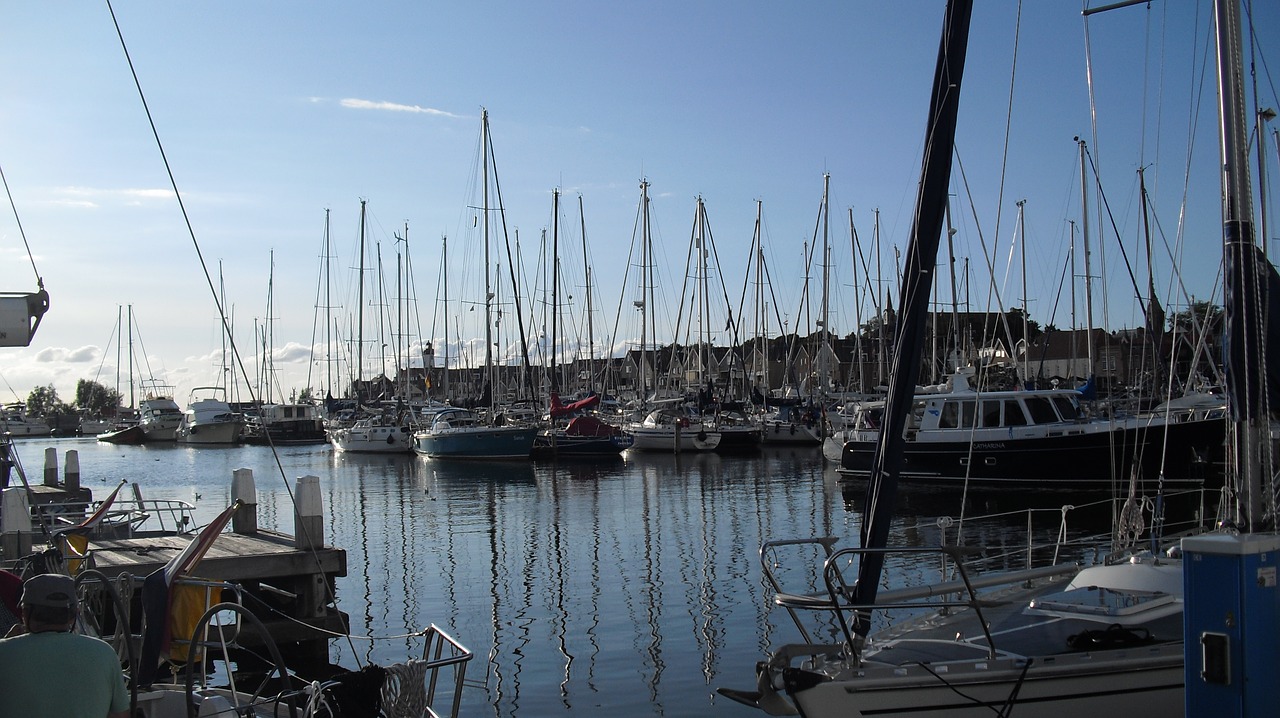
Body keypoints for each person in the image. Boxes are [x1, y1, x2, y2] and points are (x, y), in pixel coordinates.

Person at [0, 573, 129, 718]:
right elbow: (120, 715)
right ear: (74, 614)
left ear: (25, 613)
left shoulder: (4, 652)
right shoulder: (105, 653)